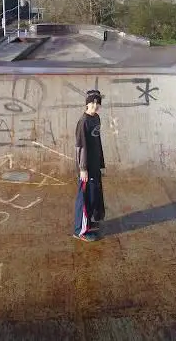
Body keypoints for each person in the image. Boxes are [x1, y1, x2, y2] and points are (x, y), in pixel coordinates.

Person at [73, 89, 105, 242]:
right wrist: (82, 169)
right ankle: (80, 230)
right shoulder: (83, 122)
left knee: (93, 196)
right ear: (87, 103)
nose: (96, 105)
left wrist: (100, 163)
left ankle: (88, 222)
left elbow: (97, 143)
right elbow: (80, 147)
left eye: (97, 102)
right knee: (84, 198)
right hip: (86, 167)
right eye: (93, 102)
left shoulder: (96, 118)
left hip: (94, 165)